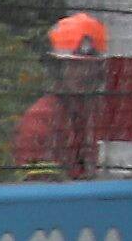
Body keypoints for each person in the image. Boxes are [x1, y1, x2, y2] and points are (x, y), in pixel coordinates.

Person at [13, 13, 109, 179]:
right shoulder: (40, 118)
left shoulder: (108, 115)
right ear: (58, 69)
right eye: (74, 65)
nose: (84, 73)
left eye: (90, 66)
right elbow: (36, 183)